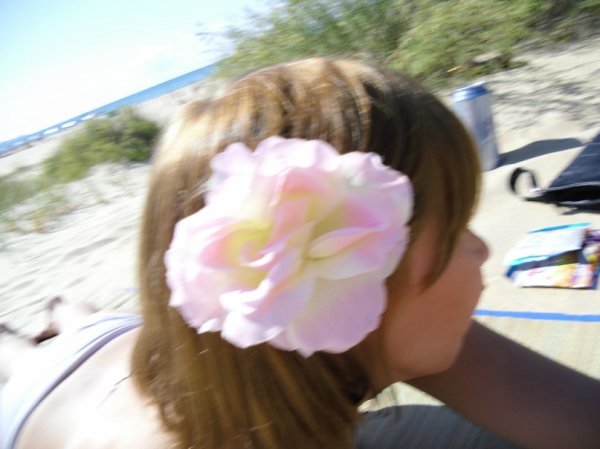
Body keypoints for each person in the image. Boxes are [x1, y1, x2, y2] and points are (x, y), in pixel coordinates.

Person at [1, 58, 599, 449]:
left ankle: (64, 311)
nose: (482, 248)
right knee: (21, 359)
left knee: (82, 320)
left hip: (139, 347)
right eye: (457, 228)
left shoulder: (373, 316)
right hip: (46, 402)